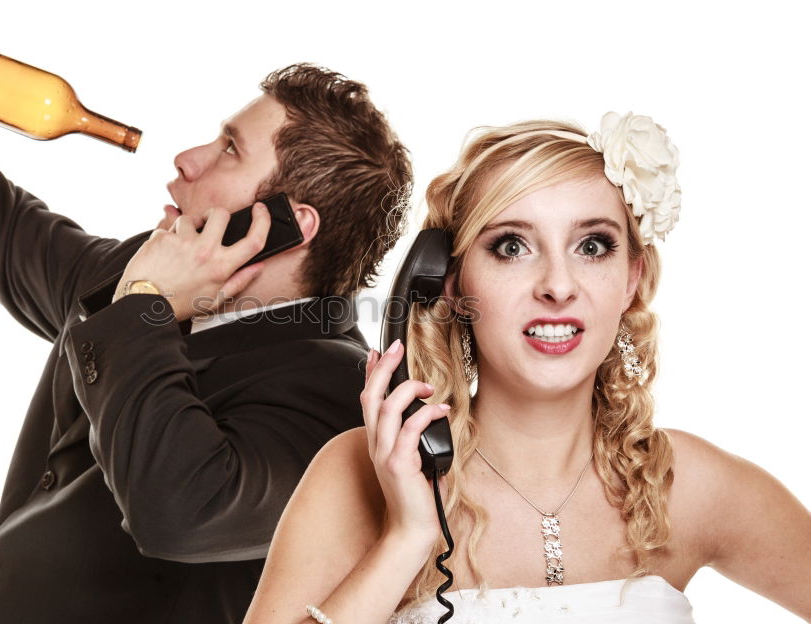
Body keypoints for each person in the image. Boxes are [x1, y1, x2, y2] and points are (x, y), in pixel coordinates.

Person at [0, 6, 412, 624]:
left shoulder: (341, 399)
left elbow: (181, 512)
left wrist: (143, 308)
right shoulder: (139, 272)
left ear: (287, 226)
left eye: (228, 151)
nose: (187, 160)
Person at [243, 115, 811, 623]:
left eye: (592, 246)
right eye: (512, 247)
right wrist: (408, 536)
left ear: (631, 278)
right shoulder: (353, 476)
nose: (558, 287)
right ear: (448, 283)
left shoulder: (692, 486)